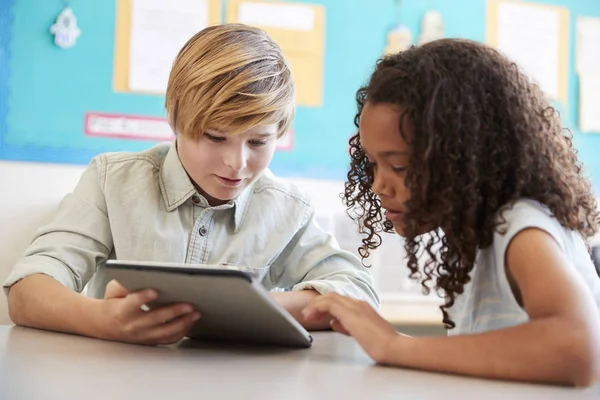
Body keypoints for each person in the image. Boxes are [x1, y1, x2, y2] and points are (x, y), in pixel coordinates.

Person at [4, 23, 378, 345]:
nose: (237, 163)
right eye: (215, 138)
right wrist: (101, 320)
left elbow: (359, 294)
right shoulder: (112, 181)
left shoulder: (286, 208)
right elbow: (27, 290)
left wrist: (255, 308)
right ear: (174, 117)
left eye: (259, 142)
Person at [302, 38, 600, 387]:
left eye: (399, 166)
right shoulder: (478, 233)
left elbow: (579, 348)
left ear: (465, 156)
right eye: (372, 164)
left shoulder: (521, 228)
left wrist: (391, 345)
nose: (378, 185)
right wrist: (388, 344)